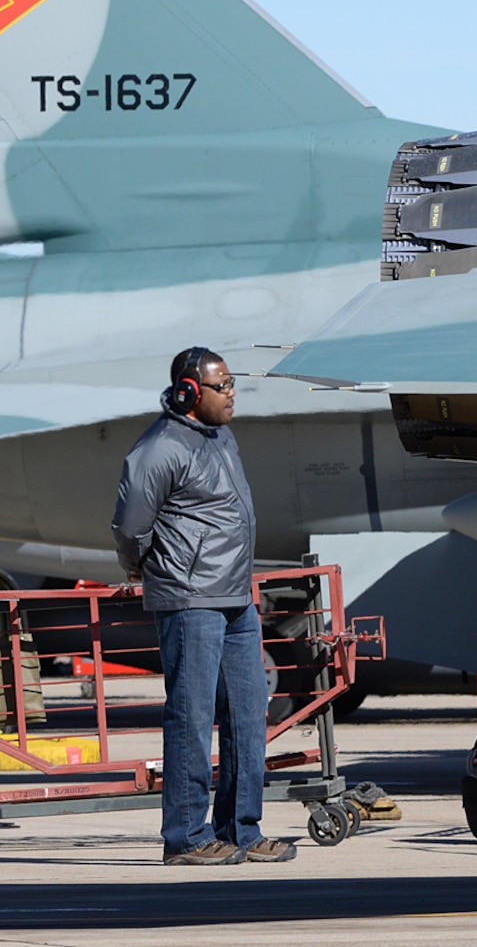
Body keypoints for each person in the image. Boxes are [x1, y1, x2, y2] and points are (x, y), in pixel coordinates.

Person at [112, 347, 295, 866]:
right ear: (191, 392)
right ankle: (186, 837)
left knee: (247, 712)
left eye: (233, 382)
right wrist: (138, 565)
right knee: (191, 716)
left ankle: (240, 828)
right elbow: (129, 524)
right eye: (224, 385)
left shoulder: (221, 437)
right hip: (190, 597)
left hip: (236, 595)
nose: (233, 392)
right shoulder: (159, 447)